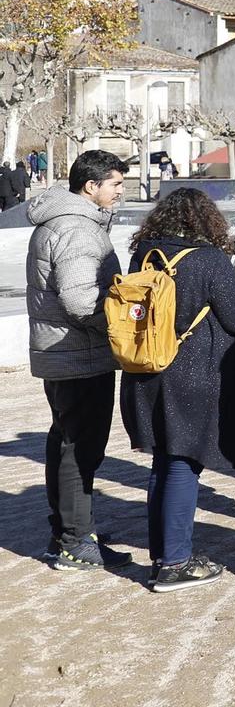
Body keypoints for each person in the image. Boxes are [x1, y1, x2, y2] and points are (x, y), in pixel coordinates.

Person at [121, 189, 235, 591]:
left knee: (163, 462)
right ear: (206, 219)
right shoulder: (208, 258)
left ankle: (162, 556)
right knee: (183, 464)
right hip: (191, 374)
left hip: (146, 368)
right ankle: (175, 563)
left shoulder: (146, 255)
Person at [27, 149, 132, 571]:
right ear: (91, 186)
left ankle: (70, 530)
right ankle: (73, 541)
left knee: (66, 442)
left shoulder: (61, 222)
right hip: (79, 355)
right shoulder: (78, 229)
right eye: (116, 185)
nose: (121, 192)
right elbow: (78, 301)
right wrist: (117, 328)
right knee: (81, 449)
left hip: (61, 353)